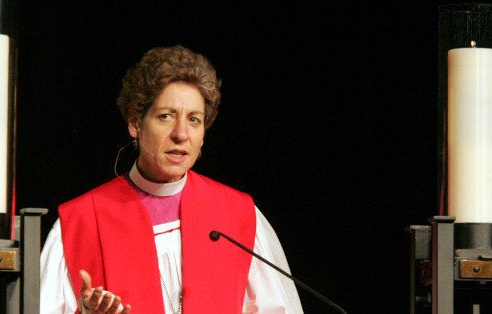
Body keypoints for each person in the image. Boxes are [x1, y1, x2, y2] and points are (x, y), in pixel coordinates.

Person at [39, 44, 303, 314]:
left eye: (194, 120)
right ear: (135, 122)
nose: (181, 133)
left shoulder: (238, 216)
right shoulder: (80, 223)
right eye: (166, 116)